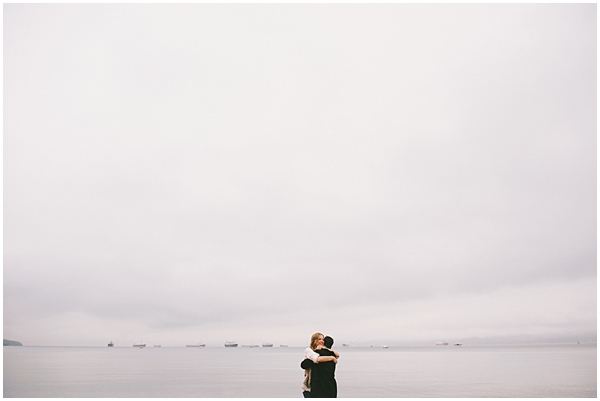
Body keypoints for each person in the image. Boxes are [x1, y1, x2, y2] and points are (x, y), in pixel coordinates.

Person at [301, 333, 339, 398]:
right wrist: (332, 358)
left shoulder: (318, 354)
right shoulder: (331, 355)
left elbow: (303, 364)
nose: (321, 341)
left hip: (317, 387)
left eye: (322, 339)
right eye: (319, 339)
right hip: (330, 386)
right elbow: (316, 359)